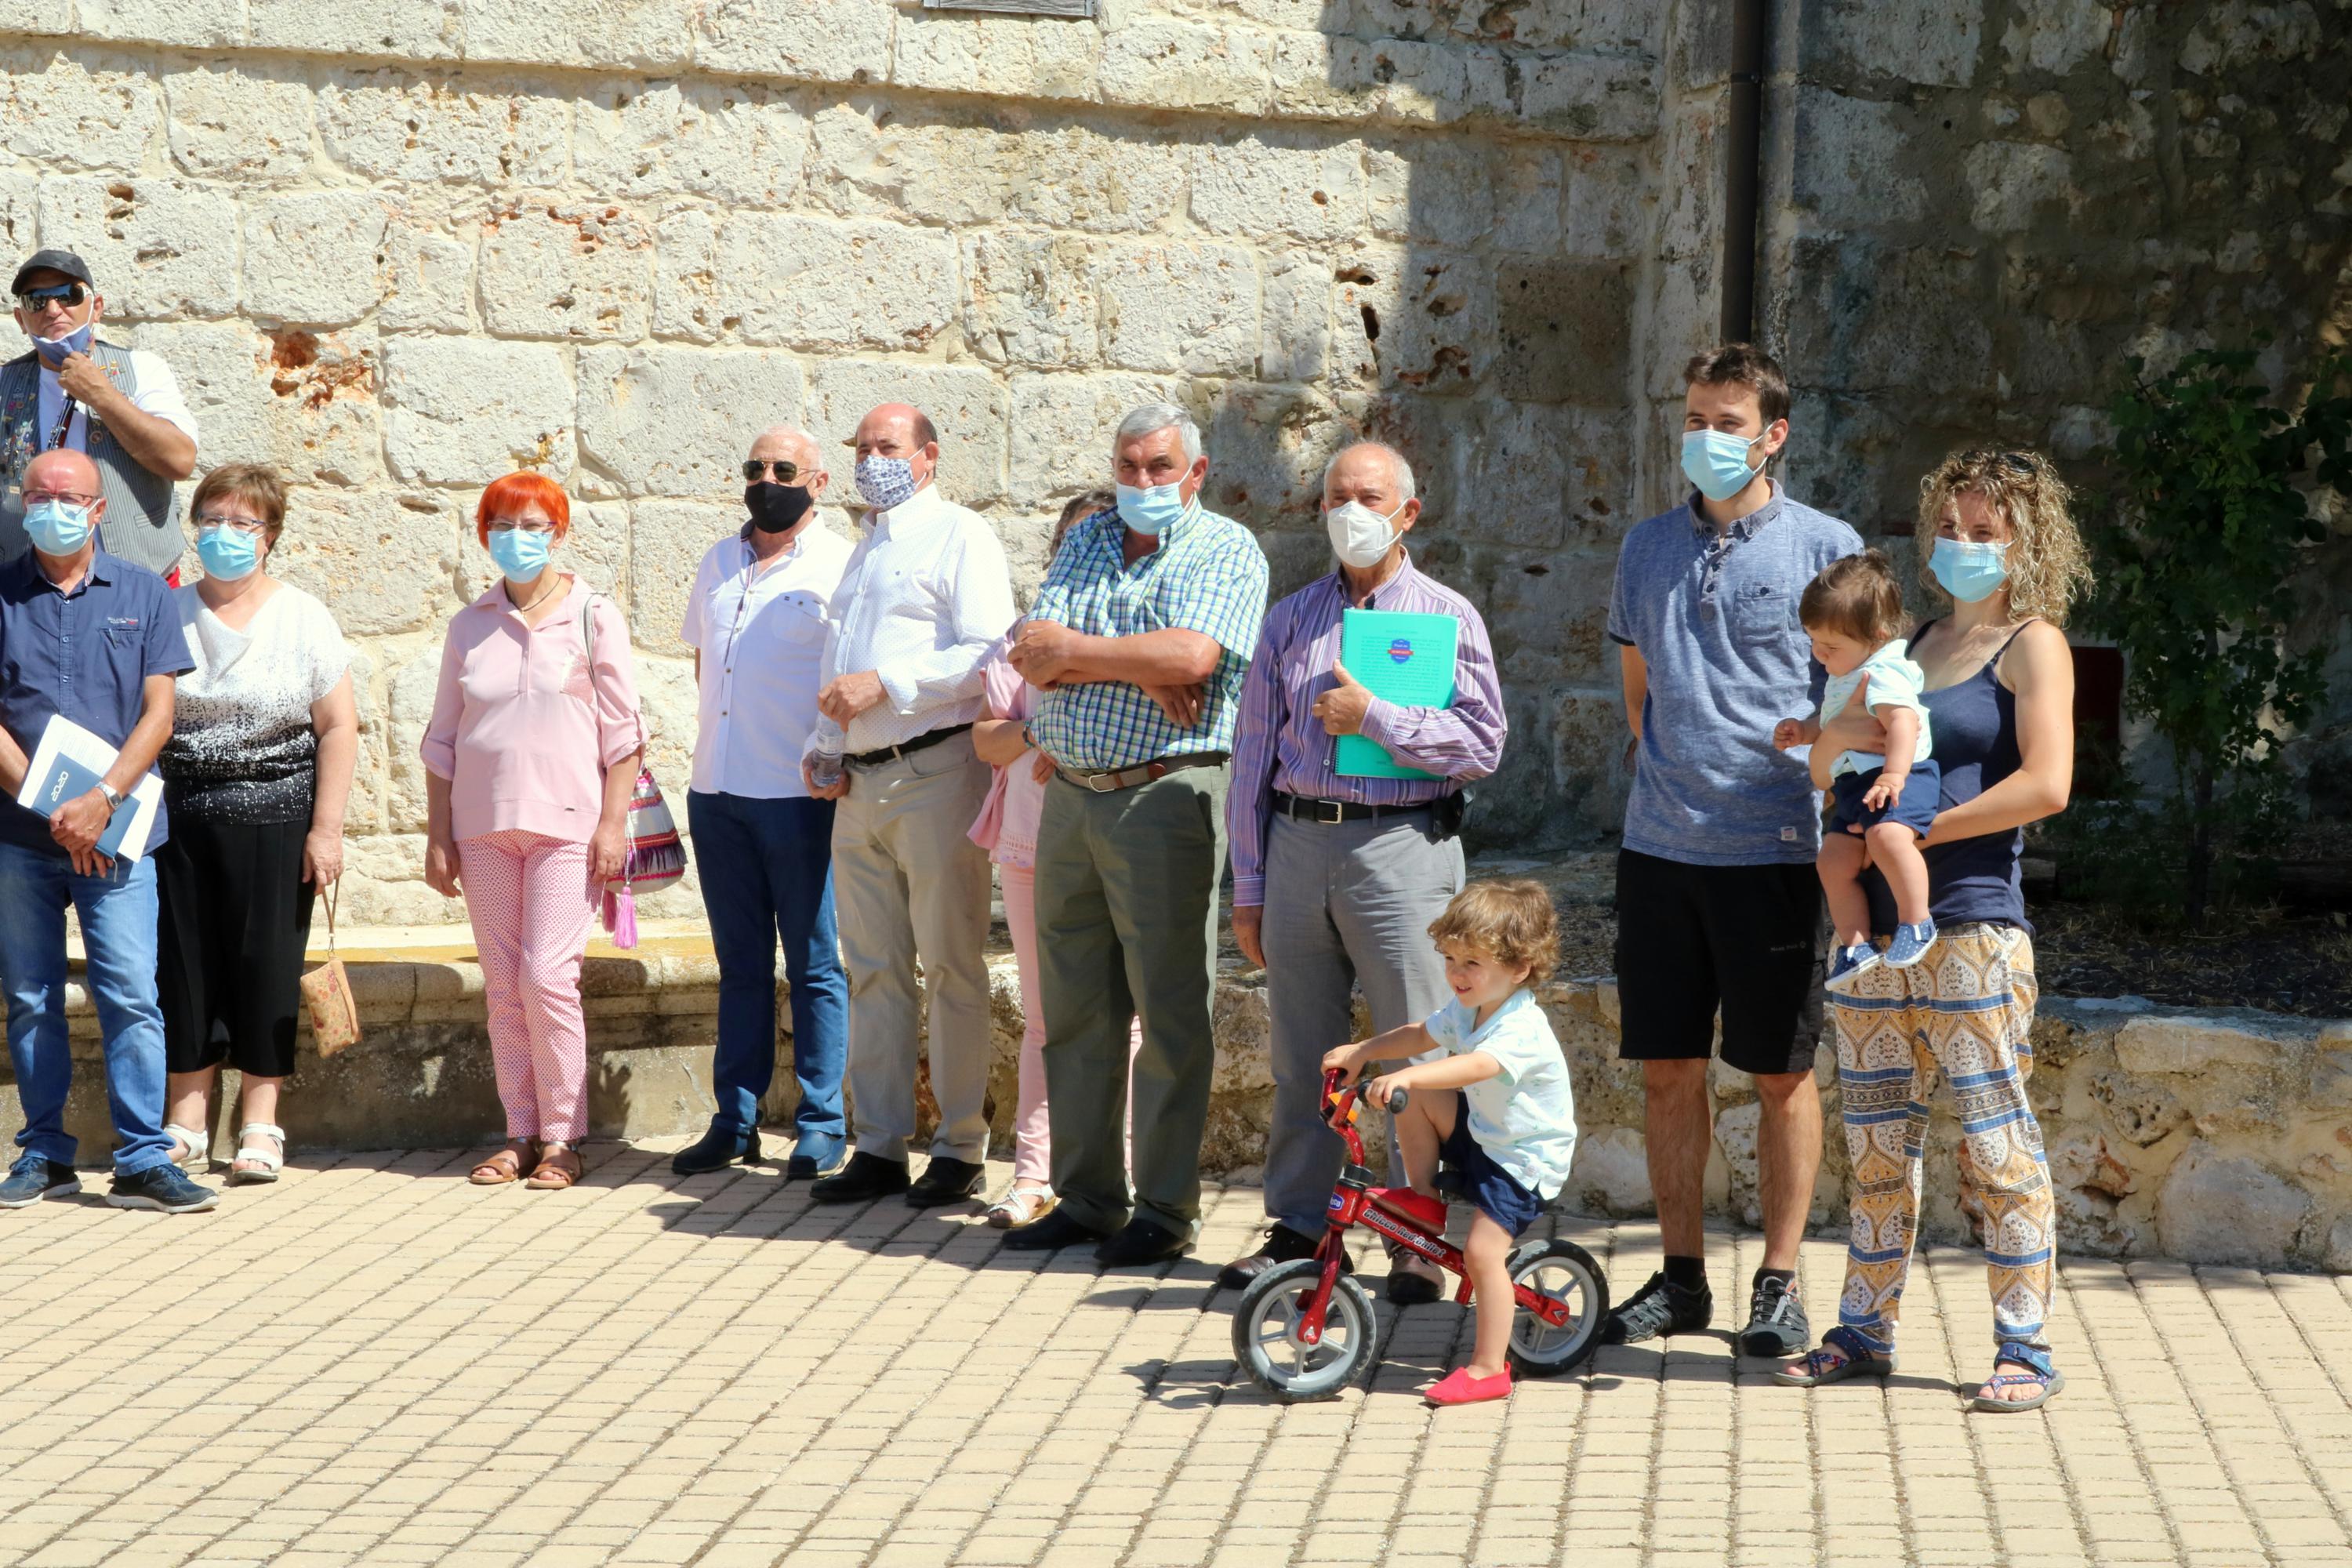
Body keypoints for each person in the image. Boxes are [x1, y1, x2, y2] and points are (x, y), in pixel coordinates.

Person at [1777, 447, 2088, 1412]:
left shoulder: (2034, 643)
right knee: (1876, 1145)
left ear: (2024, 542)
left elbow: (2048, 784)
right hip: (1875, 932)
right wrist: (1830, 756)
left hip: (1972, 926)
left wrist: (1911, 828)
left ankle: (2025, 1349)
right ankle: (1865, 1328)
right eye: (1948, 528)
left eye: (1984, 532)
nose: (1960, 545)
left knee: (1997, 1146)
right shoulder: (1902, 645)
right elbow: (1839, 742)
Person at [1604, 343, 1863, 1356]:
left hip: (1777, 857)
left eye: (1726, 421)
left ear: (1773, 434)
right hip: (1661, 854)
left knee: (1781, 1076)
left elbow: (1854, 700)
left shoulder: (1825, 546)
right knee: (1668, 1072)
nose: (1704, 438)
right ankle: (1679, 1282)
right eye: (1694, 417)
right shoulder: (1644, 549)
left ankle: (1780, 1284)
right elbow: (1639, 700)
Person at [1218, 441, 1506, 1305]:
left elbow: (1483, 743)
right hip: (1300, 842)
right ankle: (1299, 1223)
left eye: (1370, 495)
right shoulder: (1289, 619)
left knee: (1415, 1044)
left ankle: (1420, 1236)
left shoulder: (1446, 616)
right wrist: (1249, 886)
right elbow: (1251, 760)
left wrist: (1376, 716)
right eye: (1337, 495)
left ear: (1408, 512)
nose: (1352, 508)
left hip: (1402, 848)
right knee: (1303, 1050)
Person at [1000, 403, 1269, 1265]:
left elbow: (1194, 659)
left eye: (1160, 467)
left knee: (1168, 1007)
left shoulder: (1227, 547)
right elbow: (1030, 647)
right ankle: (1086, 1196)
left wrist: (1089, 654)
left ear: (1196, 472)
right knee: (1074, 1010)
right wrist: (1129, 659)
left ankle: (1163, 1206)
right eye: (1128, 466)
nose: (1142, 482)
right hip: (1073, 794)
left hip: (1163, 796)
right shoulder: (1088, 538)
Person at [804, 404, 1014, 1209]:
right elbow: (839, 664)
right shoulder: (865, 551)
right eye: (861, 448)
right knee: (874, 970)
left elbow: (987, 649)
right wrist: (823, 746)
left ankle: (960, 1145)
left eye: (885, 447)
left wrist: (887, 685)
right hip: (858, 782)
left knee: (953, 965)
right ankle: (880, 1143)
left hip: (934, 770)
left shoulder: (962, 536)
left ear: (928, 456)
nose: (870, 460)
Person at [0, 448, 210, 1213]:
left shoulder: (147, 593)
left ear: (97, 508)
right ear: (24, 502)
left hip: (119, 836)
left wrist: (101, 802)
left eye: (71, 496)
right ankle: (45, 1153)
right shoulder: (1, 590)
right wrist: (57, 808)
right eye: (39, 494)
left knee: (130, 993)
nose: (53, 506)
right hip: (21, 837)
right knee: (29, 995)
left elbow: (161, 712)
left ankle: (141, 1158)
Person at [421, 472, 643, 1192]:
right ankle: (519, 1131)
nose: (517, 537)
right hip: (483, 828)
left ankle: (564, 1137)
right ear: (484, 533)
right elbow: (443, 740)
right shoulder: (469, 624)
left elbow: (623, 733)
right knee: (503, 987)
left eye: (533, 524)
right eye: (502, 524)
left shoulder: (593, 614)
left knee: (547, 977)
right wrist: (437, 833)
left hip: (567, 826)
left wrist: (613, 825)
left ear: (559, 531)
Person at [154, 464, 358, 1184]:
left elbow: (338, 727)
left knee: (265, 965)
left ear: (269, 535)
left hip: (276, 816)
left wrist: (325, 830)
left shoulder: (304, 616)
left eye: (243, 523)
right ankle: (184, 1122)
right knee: (182, 966)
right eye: (212, 519)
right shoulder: (165, 609)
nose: (226, 535)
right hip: (177, 818)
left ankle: (261, 1125)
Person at [673, 427, 855, 1181]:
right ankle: (735, 1119)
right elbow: (702, 663)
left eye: (783, 469)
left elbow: (849, 672)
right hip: (717, 791)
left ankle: (821, 1122)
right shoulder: (720, 560)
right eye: (754, 467)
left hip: (797, 794)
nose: (766, 478)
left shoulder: (841, 564)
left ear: (817, 481)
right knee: (739, 964)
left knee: (814, 964)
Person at [1320, 880, 1575, 1406]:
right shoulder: (1471, 1005)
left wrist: (1413, 1078)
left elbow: (1480, 1065)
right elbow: (1421, 1034)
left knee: (1483, 1255)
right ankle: (1424, 1202)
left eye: (1472, 963)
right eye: (1451, 958)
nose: (1457, 973)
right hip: (1485, 1135)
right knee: (1410, 1098)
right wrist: (1364, 1051)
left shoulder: (1521, 1026)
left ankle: (1487, 1370)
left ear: (1520, 968)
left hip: (1521, 1161)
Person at [968, 488, 1144, 1230]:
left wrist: (1055, 736)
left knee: (1127, 1022)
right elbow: (989, 741)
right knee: (1046, 1021)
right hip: (1033, 846)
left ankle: (1121, 1177)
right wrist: (1047, 739)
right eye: (1074, 541)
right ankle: (1036, 1175)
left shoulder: (1140, 636)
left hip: (1121, 841)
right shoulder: (1017, 640)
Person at [1771, 550, 1939, 992]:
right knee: (1832, 859)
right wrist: (1804, 730)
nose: (1819, 654)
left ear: (1878, 636)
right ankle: (1855, 944)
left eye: (1830, 647)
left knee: (1888, 837)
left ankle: (1917, 920)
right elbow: (1835, 724)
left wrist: (1895, 776)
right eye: (1813, 643)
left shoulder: (1882, 673)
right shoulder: (1848, 670)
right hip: (1855, 786)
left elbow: (1904, 723)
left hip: (1900, 777)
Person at [2, 249, 199, 581]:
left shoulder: (141, 369)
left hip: (140, 577)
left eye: (68, 295)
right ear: (22, 319)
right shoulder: (6, 383)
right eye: (36, 300)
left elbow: (180, 461)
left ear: (96, 309)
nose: (53, 309)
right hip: (28, 583)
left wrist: (102, 396)